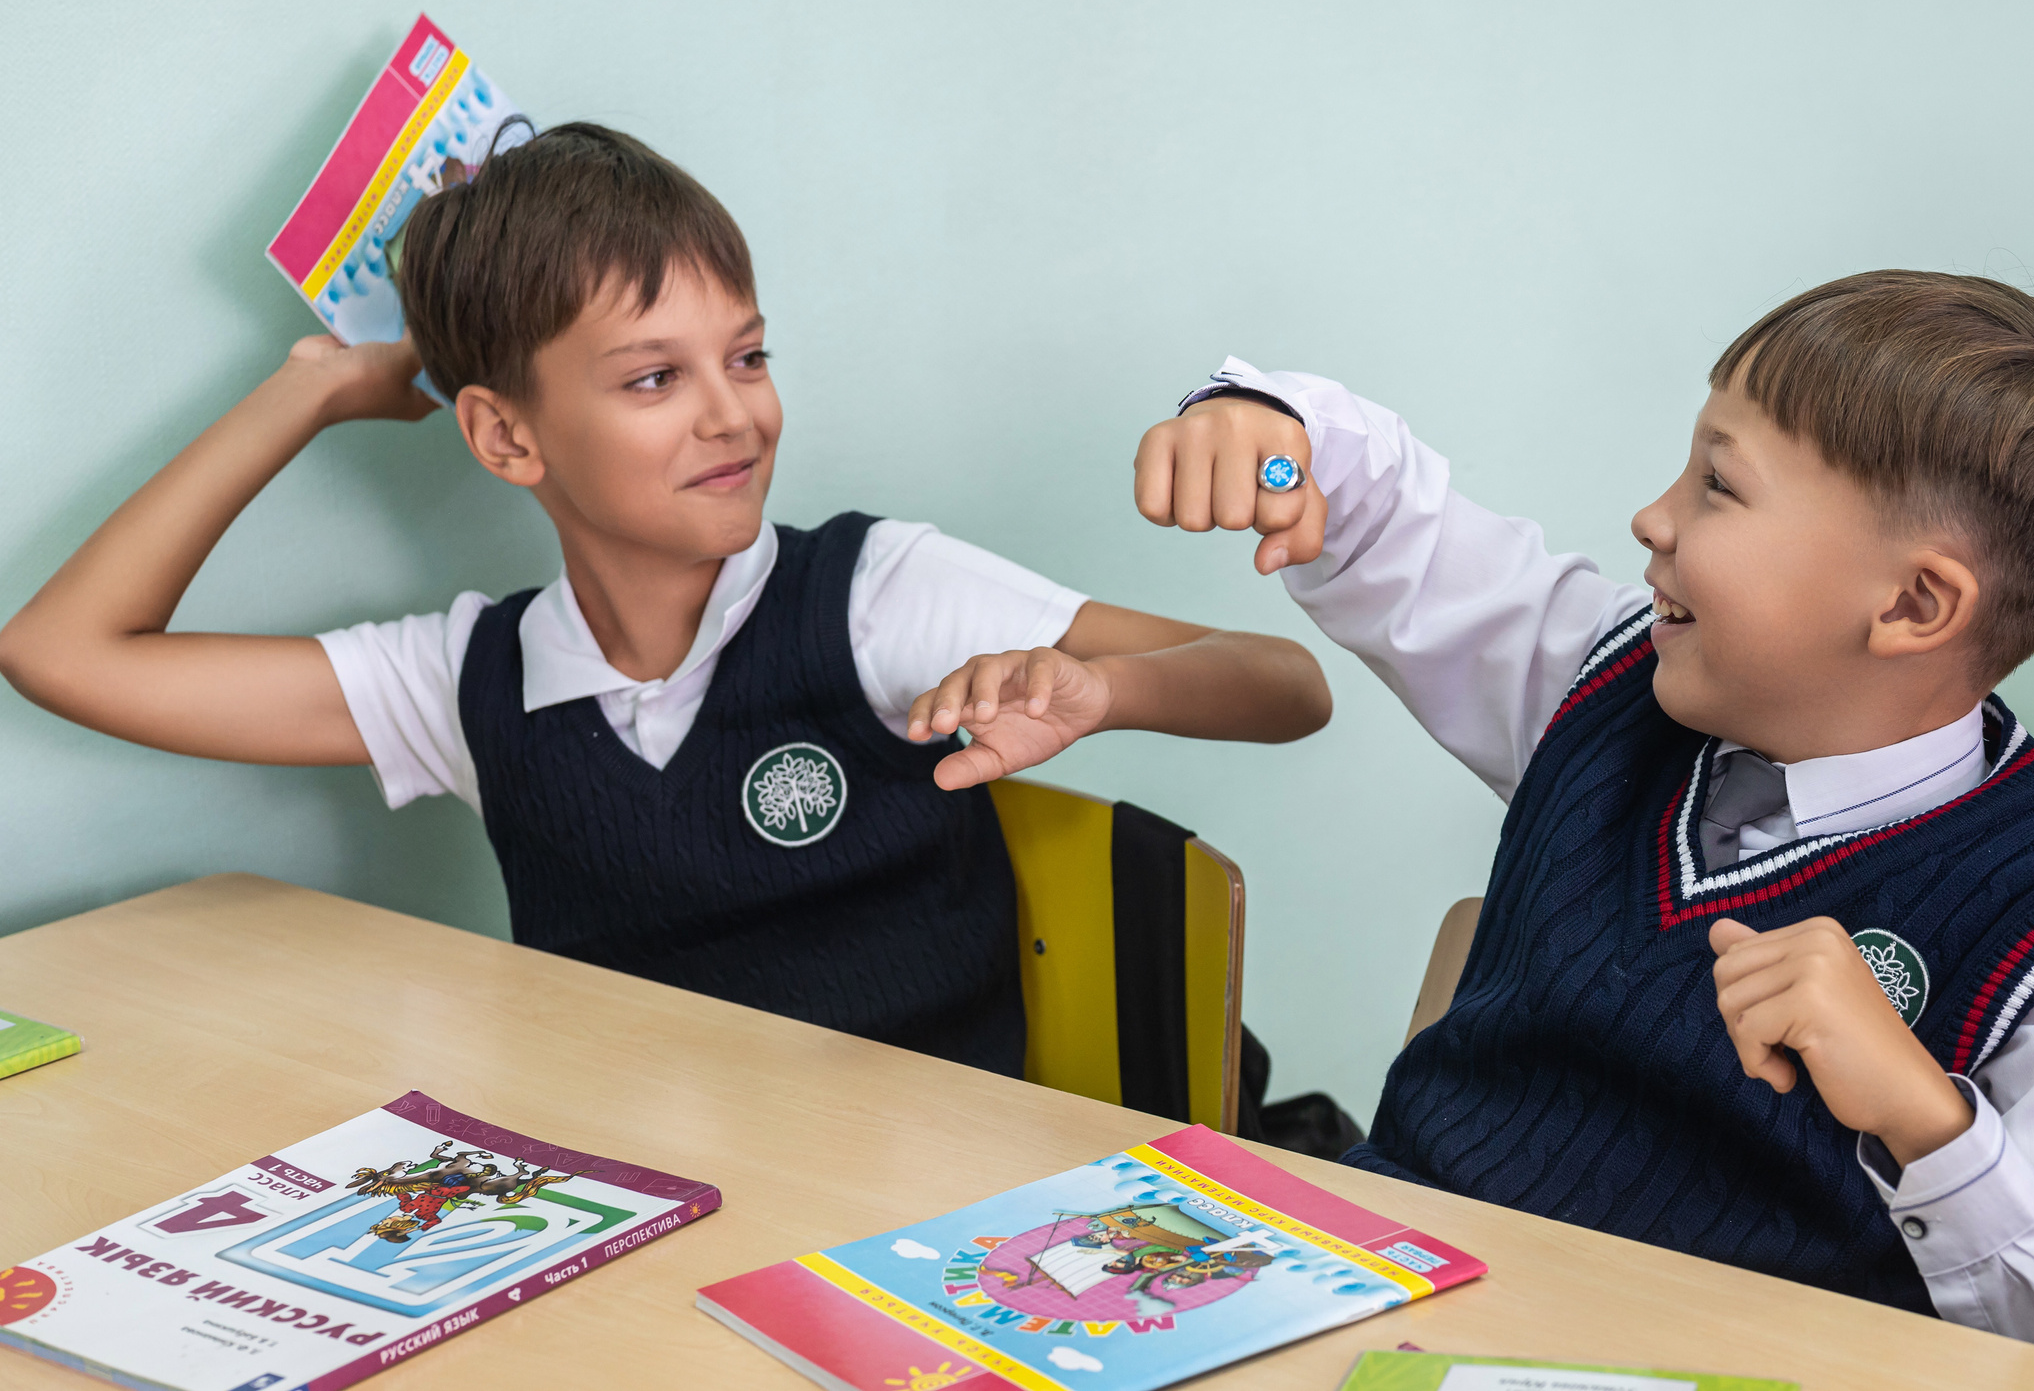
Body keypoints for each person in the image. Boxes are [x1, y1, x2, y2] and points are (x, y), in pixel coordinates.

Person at [0, 121, 1329, 1078]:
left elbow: (1284, 686)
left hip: (922, 1230)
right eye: (652, 379)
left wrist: (1103, 688)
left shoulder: (876, 594)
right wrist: (309, 389)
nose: (732, 413)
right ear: (506, 439)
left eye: (746, 355)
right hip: (655, 1234)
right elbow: (62, 651)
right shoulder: (475, 682)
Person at [1111, 271, 2034, 1360]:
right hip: (1384, 1300)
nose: (1652, 517)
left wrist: (1933, 1125)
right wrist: (1274, 427)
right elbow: (1391, 521)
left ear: (1912, 602)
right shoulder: (1604, 676)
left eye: (1717, 488)